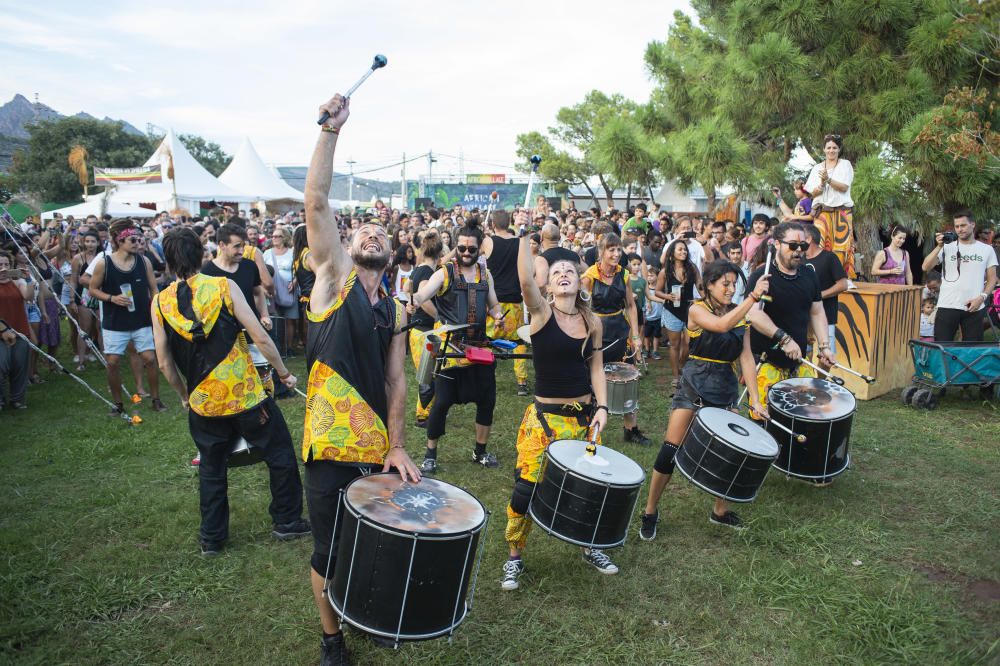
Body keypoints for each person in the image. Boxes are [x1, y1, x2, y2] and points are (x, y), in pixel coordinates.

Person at [302, 94, 421, 666]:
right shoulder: (334, 278)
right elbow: (317, 199)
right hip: (328, 444)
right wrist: (332, 131)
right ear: (348, 247)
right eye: (364, 231)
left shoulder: (396, 311)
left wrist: (397, 443)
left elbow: (398, 382)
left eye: (381, 234)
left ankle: (366, 613)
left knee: (371, 538)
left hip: (376, 445)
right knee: (328, 547)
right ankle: (332, 641)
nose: (372, 235)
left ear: (394, 254)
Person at [152, 227, 309, 557]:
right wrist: (283, 373)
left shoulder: (161, 302)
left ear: (167, 261)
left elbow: (164, 362)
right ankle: (286, 520)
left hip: (204, 400)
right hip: (245, 395)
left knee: (211, 467)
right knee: (279, 453)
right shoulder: (224, 286)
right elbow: (261, 337)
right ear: (201, 253)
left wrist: (184, 394)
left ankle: (212, 537)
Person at [501, 231, 613, 591]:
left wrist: (603, 407)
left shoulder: (593, 322)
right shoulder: (541, 313)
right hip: (544, 423)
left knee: (588, 486)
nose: (564, 273)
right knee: (525, 490)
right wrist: (522, 239)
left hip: (585, 422)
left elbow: (596, 368)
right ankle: (514, 557)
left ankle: (589, 544)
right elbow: (522, 280)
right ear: (547, 286)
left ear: (581, 281)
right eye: (556, 272)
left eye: (570, 270)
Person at [639, 260, 771, 537]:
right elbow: (721, 326)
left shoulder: (738, 312)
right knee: (669, 451)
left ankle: (719, 510)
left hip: (725, 387)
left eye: (735, 284)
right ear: (709, 285)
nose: (731, 289)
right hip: (695, 384)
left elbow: (745, 357)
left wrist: (756, 400)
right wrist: (753, 297)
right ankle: (650, 511)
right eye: (725, 284)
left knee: (732, 451)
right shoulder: (697, 309)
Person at [409, 219, 508, 472]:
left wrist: (498, 316)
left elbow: (494, 304)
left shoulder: (486, 275)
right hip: (450, 352)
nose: (465, 253)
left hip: (479, 351)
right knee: (441, 403)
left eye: (471, 249)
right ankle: (430, 454)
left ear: (479, 250)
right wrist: (415, 299)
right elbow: (424, 292)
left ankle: (480, 451)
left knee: (487, 401)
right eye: (461, 248)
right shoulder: (445, 272)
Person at [746, 223, 837, 418]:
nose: (798, 251)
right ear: (777, 244)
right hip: (766, 363)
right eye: (793, 245)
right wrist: (784, 339)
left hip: (798, 364)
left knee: (803, 420)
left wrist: (824, 346)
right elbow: (753, 314)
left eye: (803, 246)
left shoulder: (809, 274)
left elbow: (817, 311)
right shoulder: (761, 277)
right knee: (766, 423)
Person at [88, 220, 166, 414]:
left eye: (138, 239)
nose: (137, 243)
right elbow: (92, 289)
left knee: (149, 359)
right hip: (115, 323)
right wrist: (112, 298)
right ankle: (118, 403)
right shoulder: (103, 263)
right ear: (119, 241)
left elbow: (153, 288)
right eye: (132, 239)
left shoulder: (144, 261)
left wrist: (157, 311)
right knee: (113, 362)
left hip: (141, 320)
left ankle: (156, 399)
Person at [582, 232, 649, 445]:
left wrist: (636, 336)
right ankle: (588, 429)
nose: (616, 253)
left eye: (619, 249)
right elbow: (581, 307)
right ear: (601, 252)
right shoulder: (590, 276)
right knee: (590, 381)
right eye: (611, 249)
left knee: (627, 379)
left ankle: (631, 430)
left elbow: (630, 305)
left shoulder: (624, 274)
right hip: (596, 334)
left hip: (620, 332)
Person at [921, 211, 998, 342]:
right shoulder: (947, 247)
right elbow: (925, 267)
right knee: (942, 347)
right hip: (947, 304)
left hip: (973, 306)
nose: (959, 229)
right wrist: (939, 246)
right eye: (957, 226)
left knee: (972, 351)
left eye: (963, 225)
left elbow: (992, 279)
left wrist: (982, 298)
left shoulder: (987, 249)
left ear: (972, 225)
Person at [482, 210, 530, 395]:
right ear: (509, 222)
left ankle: (487, 376)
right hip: (515, 300)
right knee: (519, 341)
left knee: (489, 340)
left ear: (493, 224)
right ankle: (521, 382)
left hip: (494, 302)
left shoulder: (489, 241)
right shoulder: (519, 242)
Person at [407, 230, 444, 426]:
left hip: (418, 330)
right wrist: (439, 317)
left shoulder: (418, 268)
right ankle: (423, 416)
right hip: (424, 332)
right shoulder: (428, 272)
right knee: (427, 375)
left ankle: (428, 412)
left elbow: (407, 289)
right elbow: (423, 297)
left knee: (428, 373)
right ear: (438, 252)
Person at [805, 134, 855, 277]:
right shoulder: (817, 168)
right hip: (822, 211)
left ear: (839, 149)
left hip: (842, 211)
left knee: (842, 246)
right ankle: (820, 277)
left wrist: (828, 179)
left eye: (834, 148)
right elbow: (812, 193)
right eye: (828, 148)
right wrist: (819, 187)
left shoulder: (845, 164)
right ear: (824, 149)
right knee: (819, 244)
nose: (831, 150)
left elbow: (844, 187)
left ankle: (842, 278)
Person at [655, 239, 700, 389]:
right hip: (672, 310)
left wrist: (703, 299)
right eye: (680, 249)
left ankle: (681, 366)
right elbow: (657, 291)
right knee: (674, 345)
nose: (683, 252)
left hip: (688, 310)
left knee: (688, 343)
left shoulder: (692, 268)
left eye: (685, 249)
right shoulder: (665, 271)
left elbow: (700, 286)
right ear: (672, 254)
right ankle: (676, 377)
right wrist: (668, 296)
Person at [803, 224, 849, 354]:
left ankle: (821, 376)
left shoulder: (829, 258)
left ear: (809, 239)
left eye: (801, 236)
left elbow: (843, 284)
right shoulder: (799, 259)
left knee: (826, 356)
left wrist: (819, 295)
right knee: (805, 354)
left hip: (826, 315)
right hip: (803, 317)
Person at [0, 251, 34, 410]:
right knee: (2, 365)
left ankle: (17, 399)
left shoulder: (16, 281)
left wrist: (29, 279)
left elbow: (28, 297)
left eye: (6, 264)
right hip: (1, 332)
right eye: (0, 265)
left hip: (19, 328)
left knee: (20, 365)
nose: (3, 268)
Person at [264, 226, 299, 350]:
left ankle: (288, 348)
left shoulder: (292, 252)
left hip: (289, 289)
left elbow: (298, 269)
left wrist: (295, 282)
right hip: (272, 291)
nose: (274, 238)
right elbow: (262, 271)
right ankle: (277, 347)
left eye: (277, 236)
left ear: (284, 238)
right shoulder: (267, 253)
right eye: (273, 236)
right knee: (276, 319)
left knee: (290, 319)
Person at [642, 264, 665, 360]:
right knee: (646, 335)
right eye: (648, 275)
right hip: (647, 317)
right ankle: (647, 350)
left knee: (656, 335)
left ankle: (655, 351)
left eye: (652, 275)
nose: (649, 278)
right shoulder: (645, 288)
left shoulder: (660, 290)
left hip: (658, 317)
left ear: (657, 276)